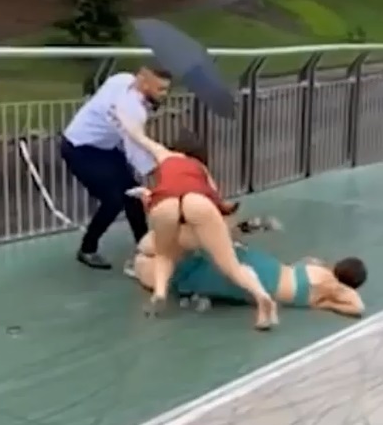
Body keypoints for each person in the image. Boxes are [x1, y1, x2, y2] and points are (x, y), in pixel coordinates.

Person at [113, 111, 278, 330]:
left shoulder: (164, 155)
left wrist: (122, 118)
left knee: (164, 253)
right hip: (197, 200)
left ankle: (160, 293)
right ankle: (261, 296)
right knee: (231, 266)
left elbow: (137, 135)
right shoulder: (202, 169)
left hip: (166, 201)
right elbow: (216, 204)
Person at [60, 67, 172, 270]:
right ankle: (87, 249)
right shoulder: (133, 110)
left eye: (166, 89)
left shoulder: (121, 79)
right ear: (144, 82)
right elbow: (135, 149)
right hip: (79, 148)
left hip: (105, 147)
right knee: (114, 200)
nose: (164, 94)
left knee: (134, 194)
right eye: (160, 89)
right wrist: (161, 173)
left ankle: (145, 247)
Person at [134, 234, 366, 317]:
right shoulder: (332, 287)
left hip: (270, 267)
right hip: (267, 283)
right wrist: (328, 305)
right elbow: (358, 307)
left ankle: (160, 251)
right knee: (215, 274)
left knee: (221, 256)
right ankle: (155, 267)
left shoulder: (319, 270)